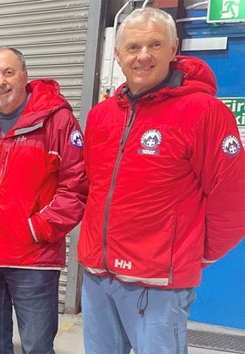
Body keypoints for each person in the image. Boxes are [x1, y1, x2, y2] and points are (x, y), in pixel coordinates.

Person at [80, 7, 245, 353]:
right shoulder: (101, 115)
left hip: (158, 285)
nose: (143, 56)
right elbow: (93, 188)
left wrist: (193, 256)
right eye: (133, 47)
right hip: (98, 276)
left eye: (154, 45)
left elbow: (233, 200)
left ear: (173, 50)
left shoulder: (204, 112)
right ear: (118, 55)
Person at [0, 46, 87, 354]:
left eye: (8, 73)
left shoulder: (57, 121)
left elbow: (76, 188)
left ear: (25, 76)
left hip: (33, 261)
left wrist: (37, 230)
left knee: (37, 347)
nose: (0, 82)